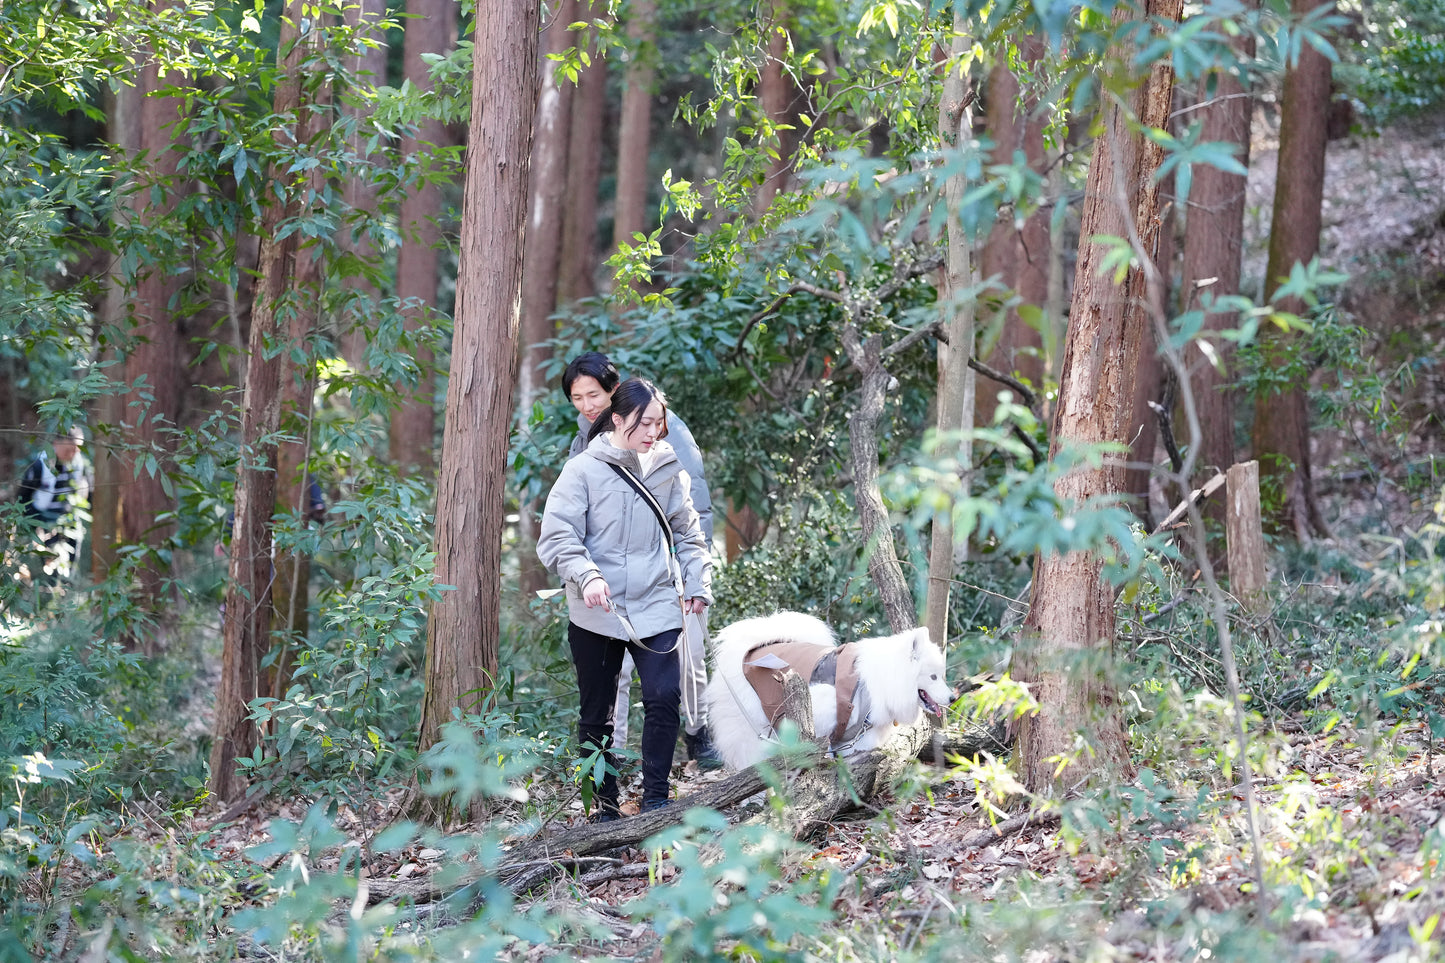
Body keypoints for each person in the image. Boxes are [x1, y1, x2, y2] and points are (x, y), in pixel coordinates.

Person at [538, 378, 713, 819]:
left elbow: (689, 535)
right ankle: (603, 807)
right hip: (597, 610)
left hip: (655, 602)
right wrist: (587, 575)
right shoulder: (583, 469)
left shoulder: (670, 468)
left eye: (658, 423)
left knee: (664, 695)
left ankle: (656, 799)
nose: (653, 432)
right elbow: (558, 536)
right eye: (643, 423)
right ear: (617, 420)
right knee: (597, 714)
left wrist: (697, 584)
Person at [561, 352, 722, 767]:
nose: (586, 405)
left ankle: (698, 735)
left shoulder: (660, 429)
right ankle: (617, 757)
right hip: (609, 583)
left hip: (666, 576)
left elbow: (691, 509)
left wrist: (692, 576)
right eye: (577, 397)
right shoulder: (586, 441)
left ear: (614, 392)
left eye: (593, 394)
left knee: (686, 661)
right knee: (616, 678)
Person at [16, 428, 89, 581]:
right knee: (45, 557)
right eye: (70, 449)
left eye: (77, 449)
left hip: (65, 517)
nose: (74, 453)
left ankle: (68, 581)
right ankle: (43, 583)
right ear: (56, 444)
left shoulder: (77, 464)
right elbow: (23, 497)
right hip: (41, 517)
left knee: (75, 538)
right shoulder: (40, 465)